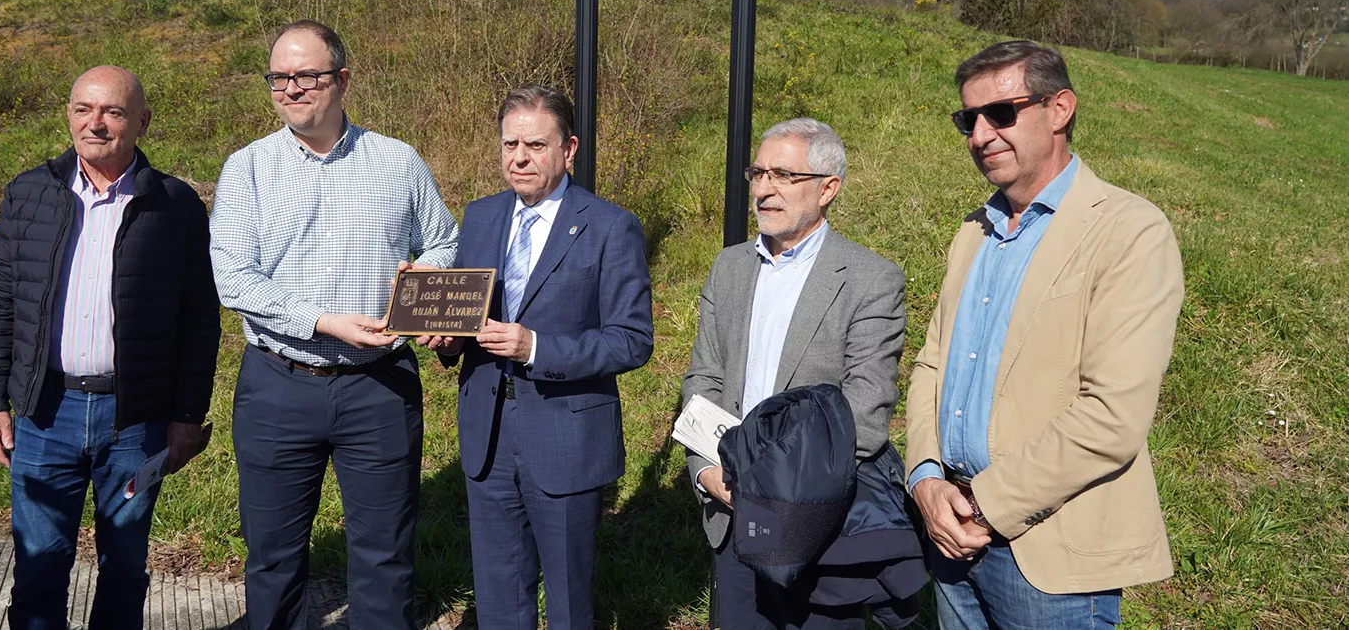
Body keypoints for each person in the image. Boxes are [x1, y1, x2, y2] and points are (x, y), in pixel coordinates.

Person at [905, 40, 1184, 629]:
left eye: (1001, 113)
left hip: (1048, 547)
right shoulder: (973, 232)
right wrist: (926, 479)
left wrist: (985, 506)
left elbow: (1112, 415)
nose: (981, 135)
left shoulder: (1129, 231)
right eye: (968, 119)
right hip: (949, 527)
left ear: (1060, 109)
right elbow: (932, 365)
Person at [210, 19, 459, 630]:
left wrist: (419, 281)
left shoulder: (398, 162)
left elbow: (444, 243)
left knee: (384, 553)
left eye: (307, 75)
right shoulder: (246, 169)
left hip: (378, 386)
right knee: (272, 555)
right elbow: (233, 280)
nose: (291, 89)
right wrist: (323, 322)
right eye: (278, 78)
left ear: (342, 80)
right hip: (278, 384)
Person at [0, 66, 221, 630]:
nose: (96, 123)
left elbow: (200, 319)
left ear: (141, 121)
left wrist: (186, 416)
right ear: (69, 114)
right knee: (38, 567)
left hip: (134, 421)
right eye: (84, 109)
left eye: (112, 111)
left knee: (126, 568)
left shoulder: (174, 204)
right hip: (44, 414)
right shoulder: (30, 193)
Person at [421, 83, 653, 630]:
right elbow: (468, 312)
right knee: (500, 596)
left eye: (535, 145)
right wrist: (448, 338)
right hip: (488, 435)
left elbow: (632, 339)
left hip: (566, 439)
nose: (519, 158)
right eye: (509, 145)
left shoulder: (609, 225)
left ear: (568, 150)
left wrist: (537, 348)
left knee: (570, 602)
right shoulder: (480, 217)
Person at [681, 117, 907, 630]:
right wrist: (705, 469)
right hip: (732, 513)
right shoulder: (730, 267)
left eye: (784, 175)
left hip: (818, 530)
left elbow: (864, 414)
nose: (764, 189)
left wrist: (773, 487)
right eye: (758, 173)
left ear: (828, 188)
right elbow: (703, 379)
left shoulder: (870, 280)